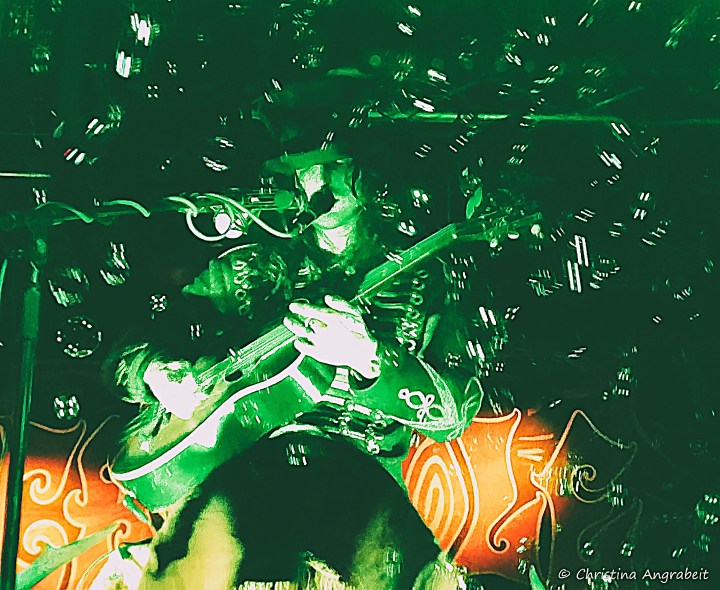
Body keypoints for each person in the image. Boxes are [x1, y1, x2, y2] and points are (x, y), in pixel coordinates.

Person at [104, 108, 482, 589]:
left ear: (369, 170)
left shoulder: (425, 276)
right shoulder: (252, 266)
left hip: (359, 478)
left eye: (338, 163)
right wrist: (155, 371)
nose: (323, 181)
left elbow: (456, 412)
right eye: (307, 166)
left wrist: (369, 358)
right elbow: (126, 354)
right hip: (244, 470)